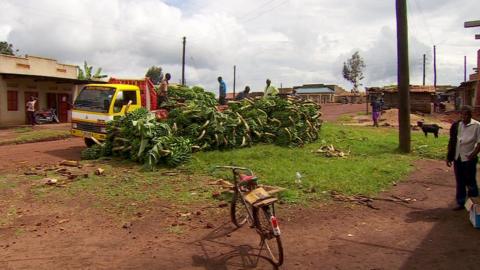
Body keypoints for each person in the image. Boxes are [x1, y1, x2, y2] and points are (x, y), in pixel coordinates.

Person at [447, 105, 480, 210]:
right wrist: (449, 157)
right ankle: (461, 202)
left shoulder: (477, 126)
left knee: (470, 181)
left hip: (469, 158)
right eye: (462, 114)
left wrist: (473, 154)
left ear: (471, 115)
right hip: (458, 157)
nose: (464, 116)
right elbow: (452, 141)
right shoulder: (457, 125)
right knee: (460, 181)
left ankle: (474, 204)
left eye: (466, 114)